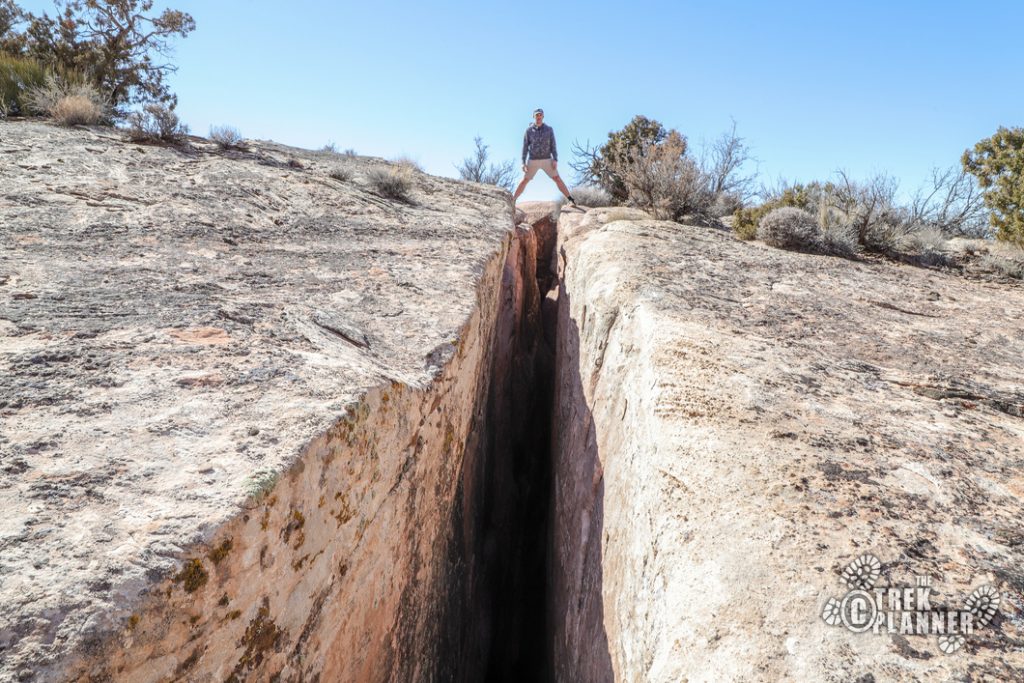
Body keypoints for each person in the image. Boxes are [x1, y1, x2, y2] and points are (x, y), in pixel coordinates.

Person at [513, 108, 576, 205]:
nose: (538, 117)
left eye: (540, 115)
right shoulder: (529, 131)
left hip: (547, 159)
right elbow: (525, 147)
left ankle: (570, 200)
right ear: (533, 117)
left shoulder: (549, 130)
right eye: (536, 115)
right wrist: (523, 163)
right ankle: (513, 200)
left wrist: (555, 159)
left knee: (557, 178)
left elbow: (553, 145)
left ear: (543, 116)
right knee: (525, 180)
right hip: (533, 160)